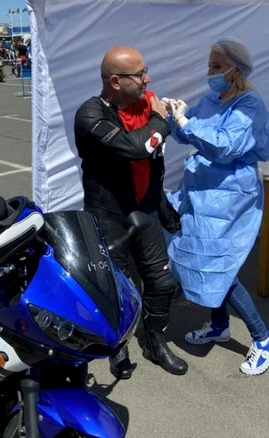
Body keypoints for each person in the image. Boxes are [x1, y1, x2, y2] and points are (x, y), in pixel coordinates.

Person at [161, 37, 269, 376]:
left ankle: (264, 339)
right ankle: (219, 324)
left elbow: (225, 146)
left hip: (229, 194)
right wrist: (176, 117)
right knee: (201, 256)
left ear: (235, 70)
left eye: (216, 66)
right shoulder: (213, 98)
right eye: (209, 65)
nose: (210, 72)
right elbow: (191, 136)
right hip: (202, 190)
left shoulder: (248, 103)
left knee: (217, 266)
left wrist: (188, 123)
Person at [74, 46, 188, 378]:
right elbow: (136, 149)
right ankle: (117, 346)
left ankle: (154, 341)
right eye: (139, 74)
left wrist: (164, 208)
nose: (146, 79)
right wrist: (160, 121)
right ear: (115, 81)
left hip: (146, 210)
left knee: (162, 283)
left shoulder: (146, 106)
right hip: (110, 214)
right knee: (116, 287)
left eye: (145, 71)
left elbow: (154, 160)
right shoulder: (90, 114)